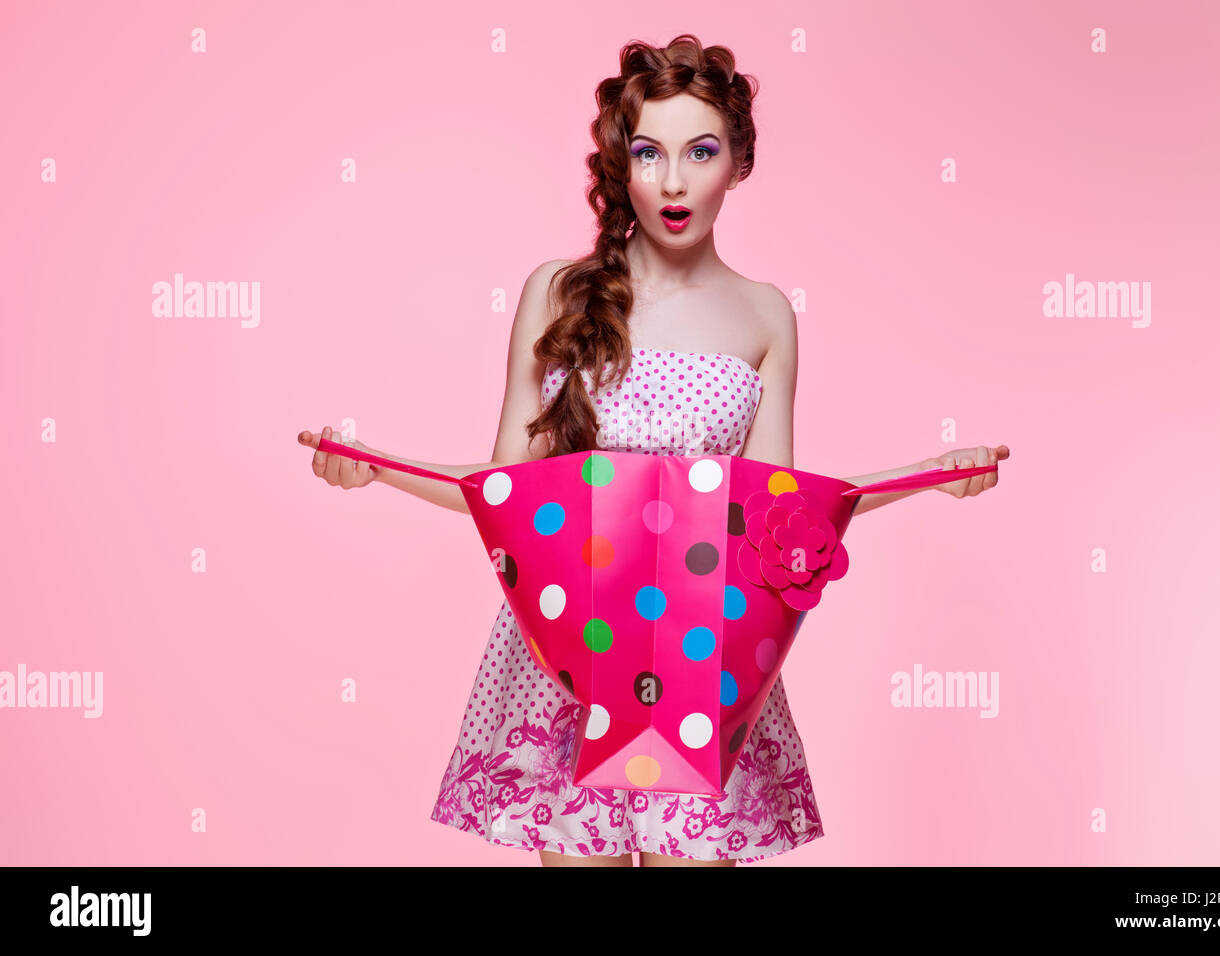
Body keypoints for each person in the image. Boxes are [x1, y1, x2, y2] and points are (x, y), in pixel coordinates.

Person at [297, 34, 1008, 867]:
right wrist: (378, 467)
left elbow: (778, 522)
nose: (673, 181)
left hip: (707, 655)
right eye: (649, 153)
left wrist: (927, 478)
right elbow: (506, 493)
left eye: (700, 152)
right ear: (621, 164)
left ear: (738, 162)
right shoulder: (556, 292)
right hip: (569, 654)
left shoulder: (766, 314)